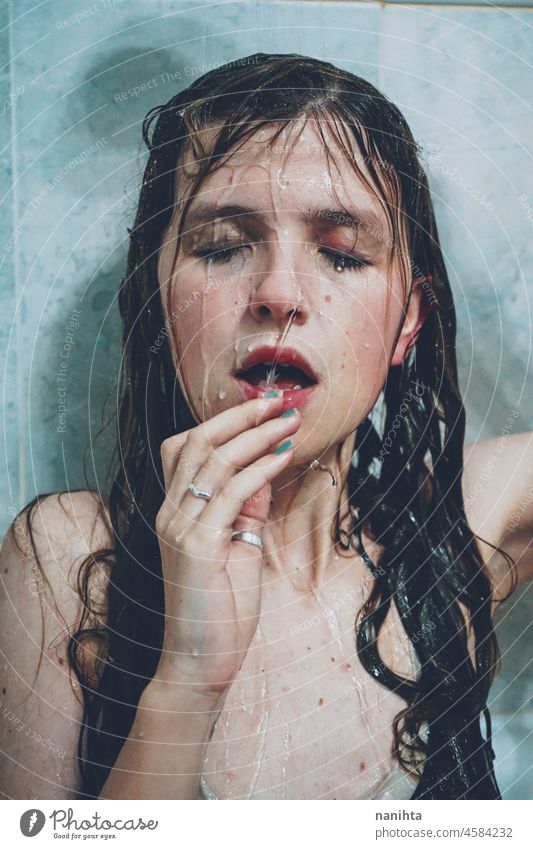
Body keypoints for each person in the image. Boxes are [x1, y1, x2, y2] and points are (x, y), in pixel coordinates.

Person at [1, 52, 531, 801]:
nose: (279, 292)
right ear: (157, 295)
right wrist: (186, 677)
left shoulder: (457, 525)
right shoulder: (70, 560)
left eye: (342, 255)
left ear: (407, 320)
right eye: (221, 245)